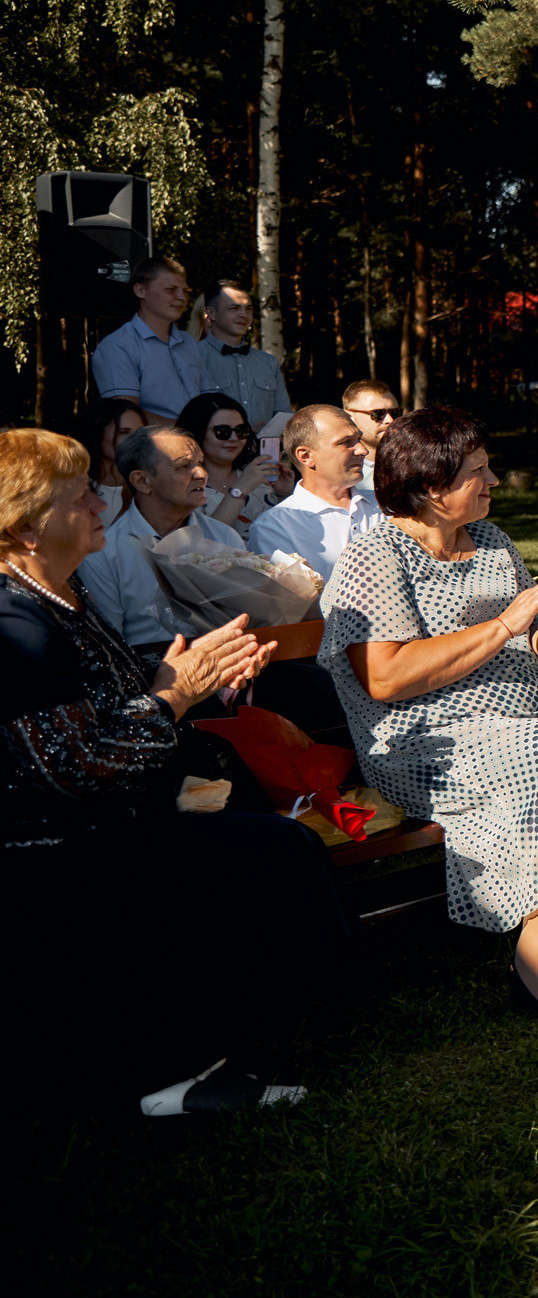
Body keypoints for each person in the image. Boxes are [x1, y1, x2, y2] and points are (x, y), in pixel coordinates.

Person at [0, 427, 348, 1116]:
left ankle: (227, 1049)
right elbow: (75, 767)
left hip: (115, 820)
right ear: (29, 531)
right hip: (59, 854)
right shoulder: (15, 619)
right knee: (262, 851)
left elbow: (124, 697)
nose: (100, 505)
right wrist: (176, 695)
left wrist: (207, 681)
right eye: (80, 498)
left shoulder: (56, 593)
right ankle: (181, 1071)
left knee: (272, 835)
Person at [320, 407, 538, 1025]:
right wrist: (506, 624)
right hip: (426, 742)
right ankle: (536, 953)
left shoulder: (490, 541)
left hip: (523, 718)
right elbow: (383, 677)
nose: (494, 481)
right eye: (478, 472)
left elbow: (522, 646)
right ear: (431, 487)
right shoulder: (375, 556)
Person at [75, 425, 246, 651]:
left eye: (200, 463)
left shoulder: (224, 537)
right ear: (142, 481)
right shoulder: (104, 553)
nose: (202, 474)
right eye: (184, 466)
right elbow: (109, 646)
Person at [250, 405, 383, 582]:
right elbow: (290, 602)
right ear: (305, 456)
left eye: (359, 439)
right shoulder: (275, 527)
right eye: (346, 442)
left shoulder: (387, 505)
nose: (362, 450)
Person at [91, 256, 205, 426]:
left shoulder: (189, 342)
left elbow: (209, 401)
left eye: (185, 291)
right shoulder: (117, 346)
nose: (182, 297)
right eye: (171, 289)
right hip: (149, 448)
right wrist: (188, 430)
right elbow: (126, 415)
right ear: (140, 291)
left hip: (200, 446)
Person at [192, 277, 292, 432]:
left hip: (264, 455)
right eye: (234, 308)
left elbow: (284, 416)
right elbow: (185, 419)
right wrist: (245, 431)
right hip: (210, 455)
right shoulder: (191, 358)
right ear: (211, 313)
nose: (243, 315)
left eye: (248, 308)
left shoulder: (268, 362)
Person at [176, 393, 285, 534]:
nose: (234, 438)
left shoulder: (257, 475)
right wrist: (241, 488)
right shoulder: (185, 484)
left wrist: (284, 494)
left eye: (240, 431)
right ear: (198, 432)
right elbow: (207, 538)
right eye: (223, 431)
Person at [81, 395, 146, 521]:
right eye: (123, 432)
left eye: (140, 432)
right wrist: (127, 507)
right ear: (97, 434)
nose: (135, 440)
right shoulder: (78, 491)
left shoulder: (151, 483)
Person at [342, 380, 400, 490]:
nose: (390, 420)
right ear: (349, 416)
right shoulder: (338, 472)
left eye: (395, 412)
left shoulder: (412, 463)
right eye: (378, 413)